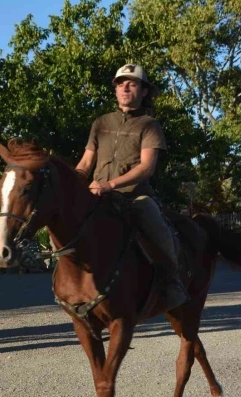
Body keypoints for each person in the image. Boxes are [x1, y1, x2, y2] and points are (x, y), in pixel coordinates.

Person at [75, 63, 187, 311]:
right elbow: (85, 162)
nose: (125, 87)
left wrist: (110, 184)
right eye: (120, 83)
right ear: (115, 90)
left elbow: (147, 167)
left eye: (132, 83)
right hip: (97, 195)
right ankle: (72, 287)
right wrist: (73, 184)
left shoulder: (149, 125)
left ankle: (172, 282)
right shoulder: (101, 123)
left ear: (143, 91)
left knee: (154, 221)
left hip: (134, 197)